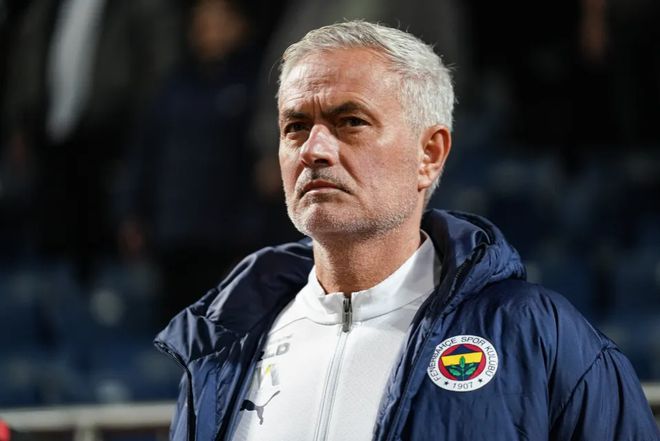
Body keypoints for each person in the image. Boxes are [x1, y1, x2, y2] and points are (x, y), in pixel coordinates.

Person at [154, 20, 659, 441]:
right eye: (295, 126)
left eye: (350, 121)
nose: (314, 149)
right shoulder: (222, 347)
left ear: (429, 154)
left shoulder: (540, 335)